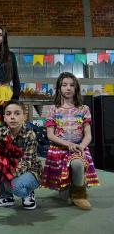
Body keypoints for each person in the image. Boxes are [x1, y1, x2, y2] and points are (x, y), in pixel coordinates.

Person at [42, 72, 99, 210]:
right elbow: (50, 135)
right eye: (64, 85)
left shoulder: (84, 109)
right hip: (59, 149)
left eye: (72, 85)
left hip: (78, 147)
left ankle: (80, 194)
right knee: (64, 197)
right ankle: (69, 188)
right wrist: (68, 144)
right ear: (59, 88)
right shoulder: (52, 110)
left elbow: (88, 135)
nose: (68, 88)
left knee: (78, 164)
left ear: (76, 89)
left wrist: (81, 147)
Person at [0, 100, 42, 210]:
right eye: (8, 114)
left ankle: (28, 192)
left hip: (30, 171)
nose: (12, 117)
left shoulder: (30, 134)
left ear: (24, 116)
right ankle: (6, 197)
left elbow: (26, 163)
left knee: (16, 186)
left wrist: (7, 173)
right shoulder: (1, 131)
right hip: (10, 168)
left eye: (17, 113)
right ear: (4, 117)